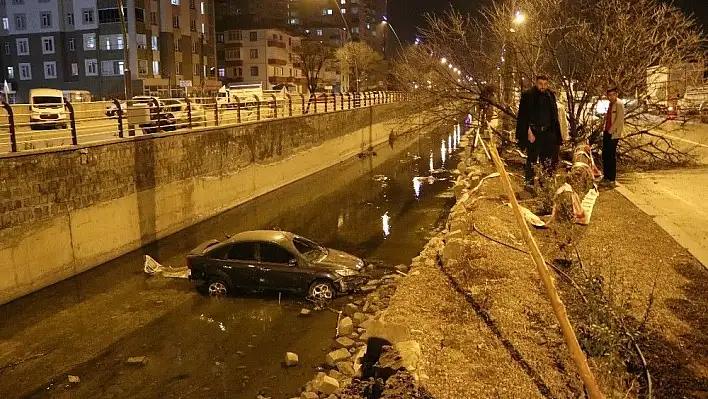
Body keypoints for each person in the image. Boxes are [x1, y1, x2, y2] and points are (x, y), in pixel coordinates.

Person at [515, 74, 563, 188]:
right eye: (540, 84)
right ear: (536, 83)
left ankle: (544, 183)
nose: (543, 86)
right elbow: (523, 116)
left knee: (546, 159)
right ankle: (529, 184)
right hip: (533, 132)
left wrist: (554, 134)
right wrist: (528, 132)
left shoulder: (550, 95)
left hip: (547, 132)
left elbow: (554, 116)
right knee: (531, 159)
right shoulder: (528, 95)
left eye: (545, 84)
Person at [601, 87, 625, 187]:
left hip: (614, 134)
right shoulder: (611, 104)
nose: (611, 97)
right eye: (609, 95)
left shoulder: (619, 104)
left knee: (610, 156)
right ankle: (606, 176)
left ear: (616, 94)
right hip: (607, 131)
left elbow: (619, 120)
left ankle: (611, 178)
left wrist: (611, 131)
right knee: (605, 154)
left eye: (613, 95)